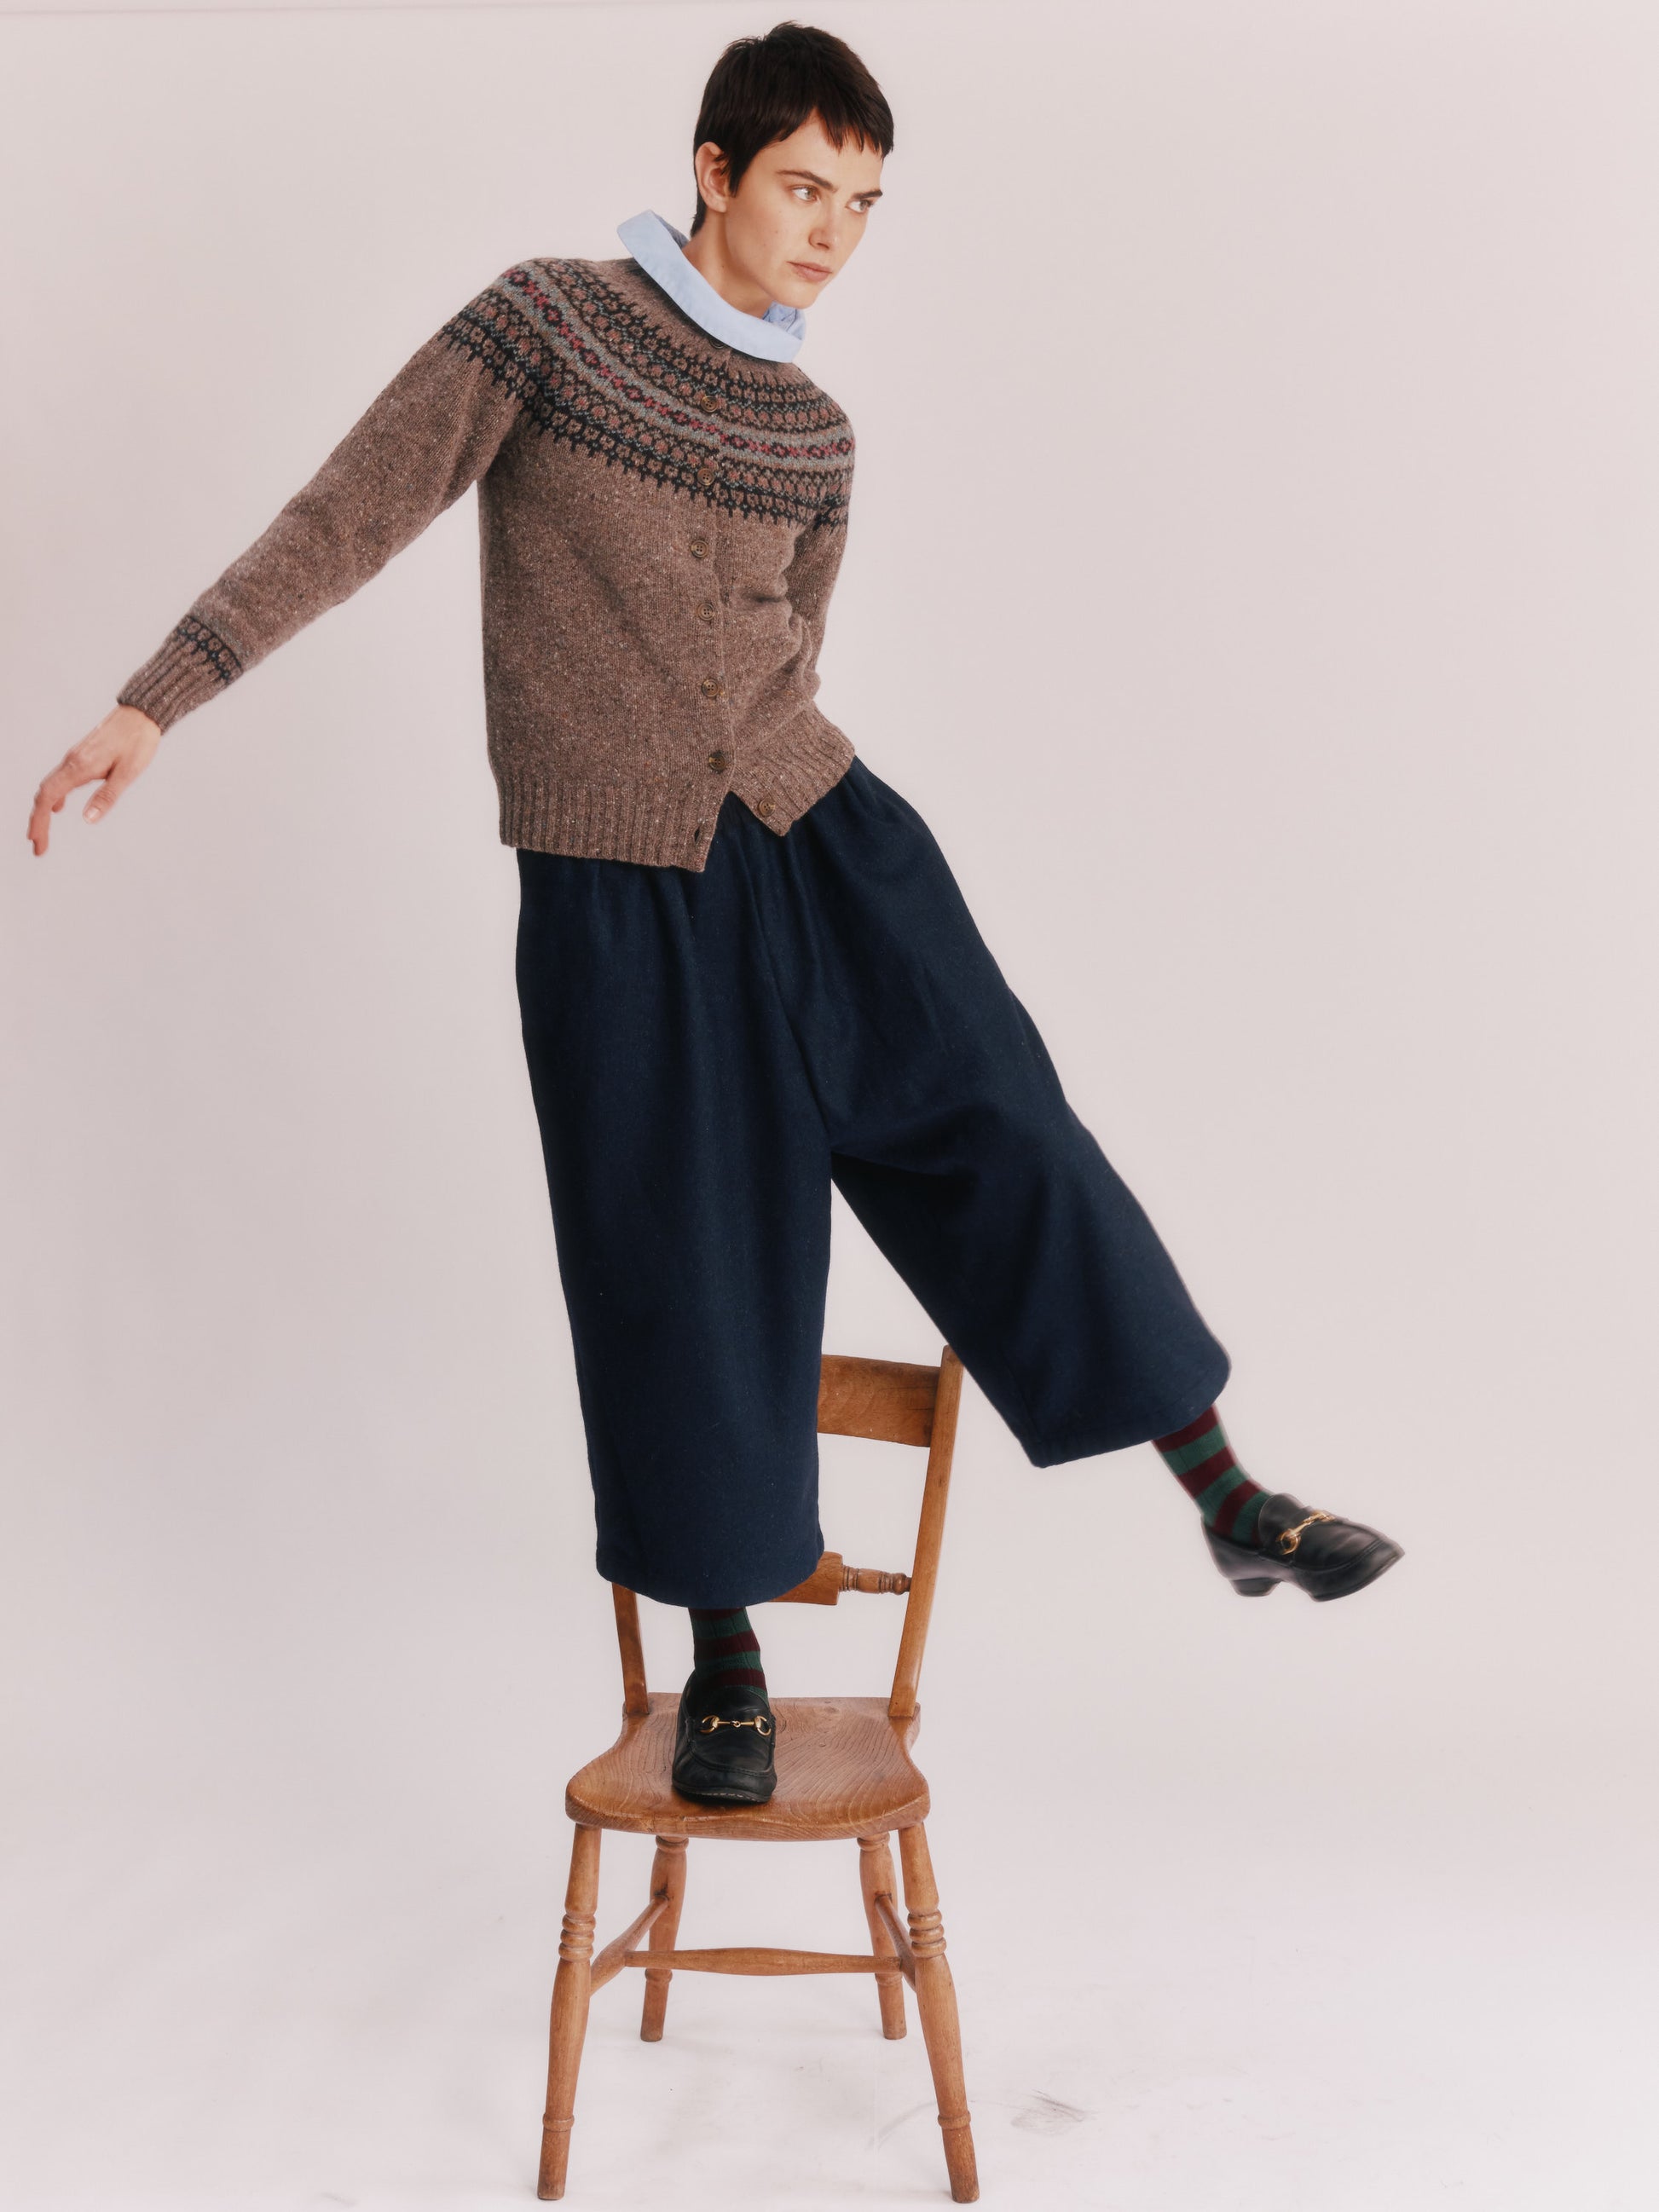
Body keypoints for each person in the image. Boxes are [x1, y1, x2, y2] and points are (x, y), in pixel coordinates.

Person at [26, 21, 1402, 1810]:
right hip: (616, 888)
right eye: (805, 187)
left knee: (1002, 1124)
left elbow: (789, 651)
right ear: (715, 170)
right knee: (683, 1258)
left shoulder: (817, 430)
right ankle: (727, 1653)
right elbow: (353, 510)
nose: (832, 229)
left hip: (826, 836)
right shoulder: (546, 323)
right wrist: (160, 695)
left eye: (864, 203)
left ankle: (1225, 1493)